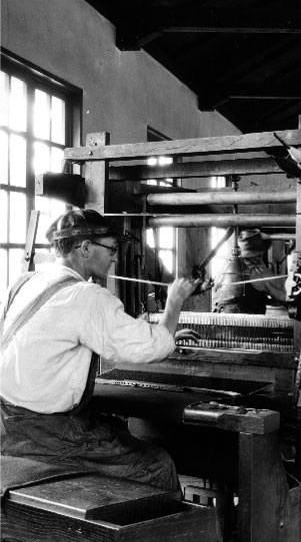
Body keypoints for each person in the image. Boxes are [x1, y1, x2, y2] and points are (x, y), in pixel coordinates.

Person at [0, 209, 200, 491]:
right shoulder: (85, 295)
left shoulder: (24, 283)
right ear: (85, 248)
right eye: (112, 249)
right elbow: (152, 349)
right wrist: (175, 302)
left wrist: (143, 329)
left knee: (115, 429)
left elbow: (64, 337)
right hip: (47, 435)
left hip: (8, 426)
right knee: (158, 466)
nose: (116, 257)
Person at [212, 228, 288, 314]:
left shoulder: (224, 270)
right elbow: (284, 296)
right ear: (259, 254)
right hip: (247, 325)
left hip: (218, 321)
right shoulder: (259, 272)